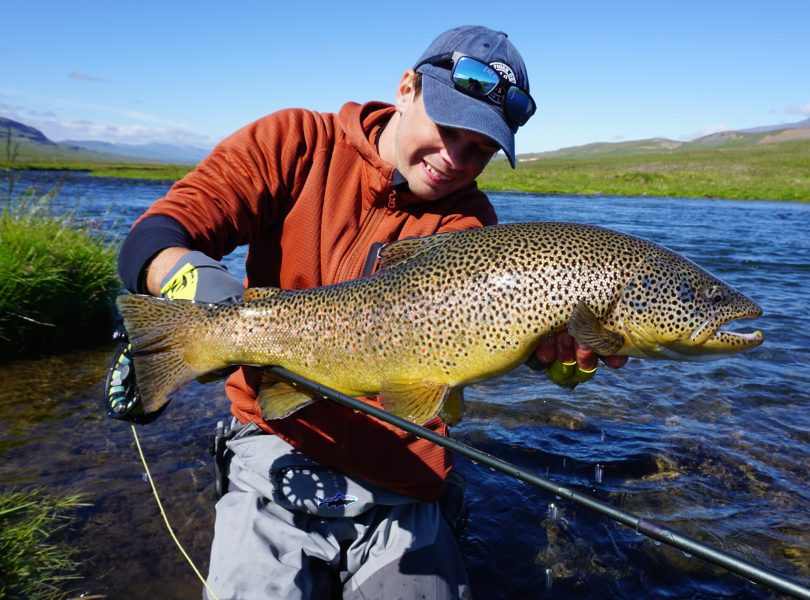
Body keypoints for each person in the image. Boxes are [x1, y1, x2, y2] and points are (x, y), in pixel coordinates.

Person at [107, 25, 626, 599]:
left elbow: (443, 373)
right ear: (406, 89)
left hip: (404, 477)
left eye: (479, 150)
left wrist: (544, 356)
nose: (455, 158)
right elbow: (155, 236)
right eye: (449, 128)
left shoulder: (470, 225)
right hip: (274, 444)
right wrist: (206, 300)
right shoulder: (295, 141)